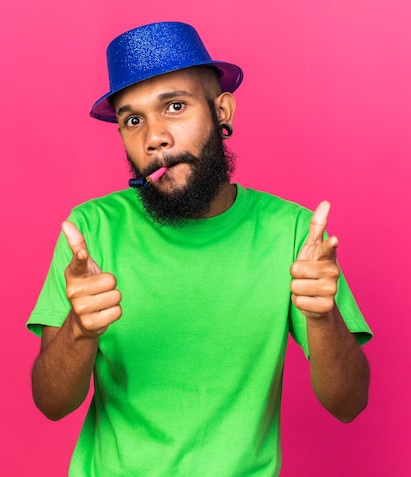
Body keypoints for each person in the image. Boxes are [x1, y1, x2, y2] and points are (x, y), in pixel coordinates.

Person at [27, 21, 372, 476]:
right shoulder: (90, 232)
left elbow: (349, 404)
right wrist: (80, 331)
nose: (155, 138)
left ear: (222, 110)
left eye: (174, 106)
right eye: (133, 120)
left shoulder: (292, 233)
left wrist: (323, 318)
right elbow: (52, 404)